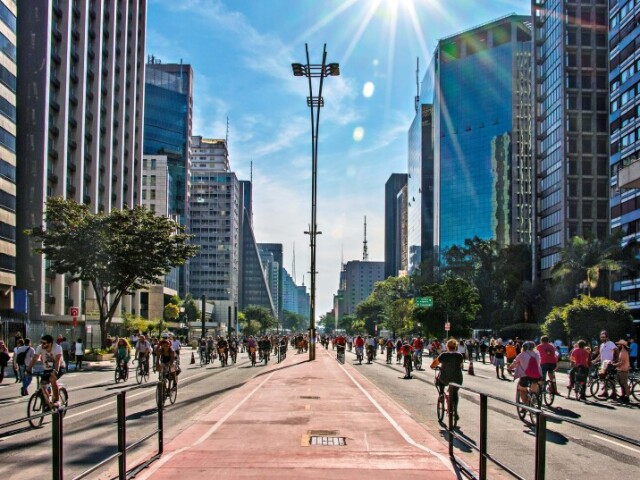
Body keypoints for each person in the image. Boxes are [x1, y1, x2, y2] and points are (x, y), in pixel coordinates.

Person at [430, 338, 464, 422]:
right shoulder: (459, 355)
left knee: (439, 381)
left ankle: (441, 394)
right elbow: (461, 366)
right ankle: (455, 410)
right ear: (456, 347)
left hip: (445, 378)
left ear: (447, 346)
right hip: (457, 378)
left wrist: (432, 366)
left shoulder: (443, 355)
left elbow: (435, 363)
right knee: (455, 392)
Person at [26, 335, 64, 405]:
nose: (42, 344)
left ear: (50, 343)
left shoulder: (57, 347)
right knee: (43, 384)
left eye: (44, 343)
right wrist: (28, 369)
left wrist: (56, 371)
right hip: (48, 368)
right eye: (41, 342)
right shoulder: (40, 348)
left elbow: (58, 360)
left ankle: (57, 400)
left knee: (52, 379)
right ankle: (48, 403)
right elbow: (35, 358)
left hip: (59, 367)